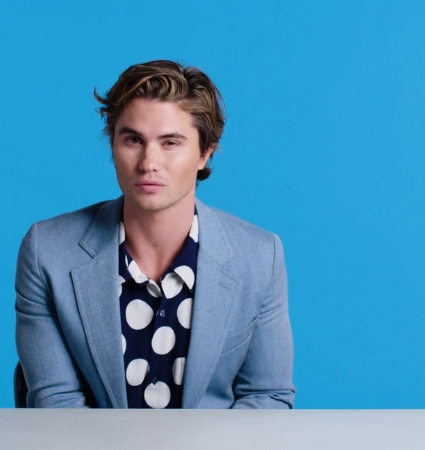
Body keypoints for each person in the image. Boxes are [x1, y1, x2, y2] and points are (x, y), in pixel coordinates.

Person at [15, 60, 294, 409]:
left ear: (205, 153)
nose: (149, 162)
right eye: (133, 140)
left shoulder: (258, 256)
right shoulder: (49, 251)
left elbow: (266, 397)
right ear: (113, 146)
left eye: (170, 143)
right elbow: (56, 404)